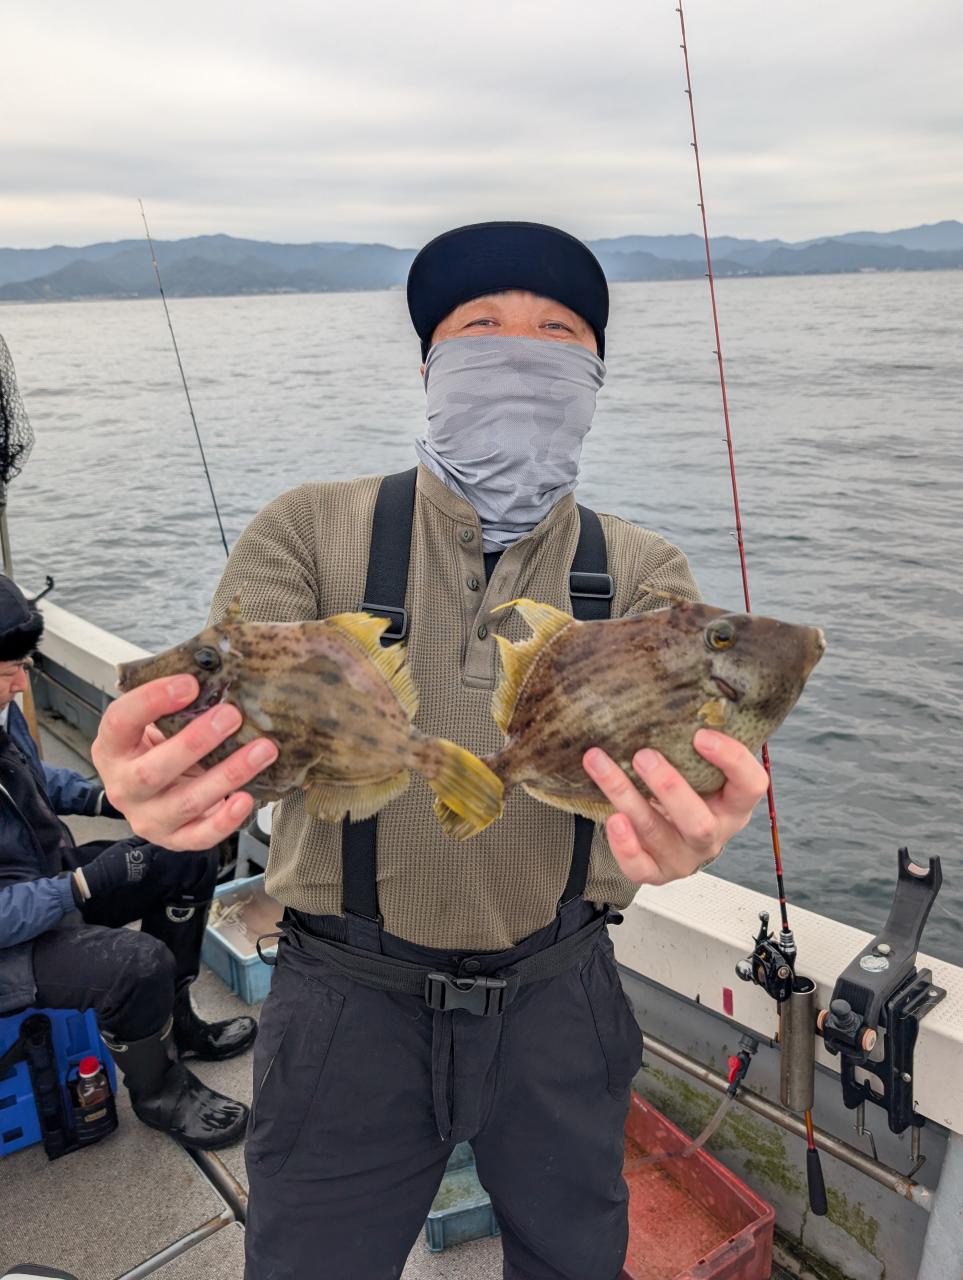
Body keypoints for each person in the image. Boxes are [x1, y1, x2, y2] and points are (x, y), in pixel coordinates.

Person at [91, 222, 770, 1278]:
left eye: (557, 333)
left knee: (575, 1260)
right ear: (429, 367)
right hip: (343, 998)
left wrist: (694, 825)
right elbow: (238, 708)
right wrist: (164, 779)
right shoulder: (309, 529)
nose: (520, 354)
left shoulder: (643, 571)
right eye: (480, 327)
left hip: (561, 993)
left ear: (594, 375)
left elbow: (674, 764)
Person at [0, 575, 256, 1150]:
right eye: (7, 671)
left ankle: (178, 1024)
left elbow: (31, 778)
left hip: (44, 881)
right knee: (137, 966)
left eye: (22, 665)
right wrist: (81, 885)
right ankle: (160, 1093)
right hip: (9, 949)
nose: (21, 683)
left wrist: (105, 799)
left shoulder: (3, 713)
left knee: (188, 856)